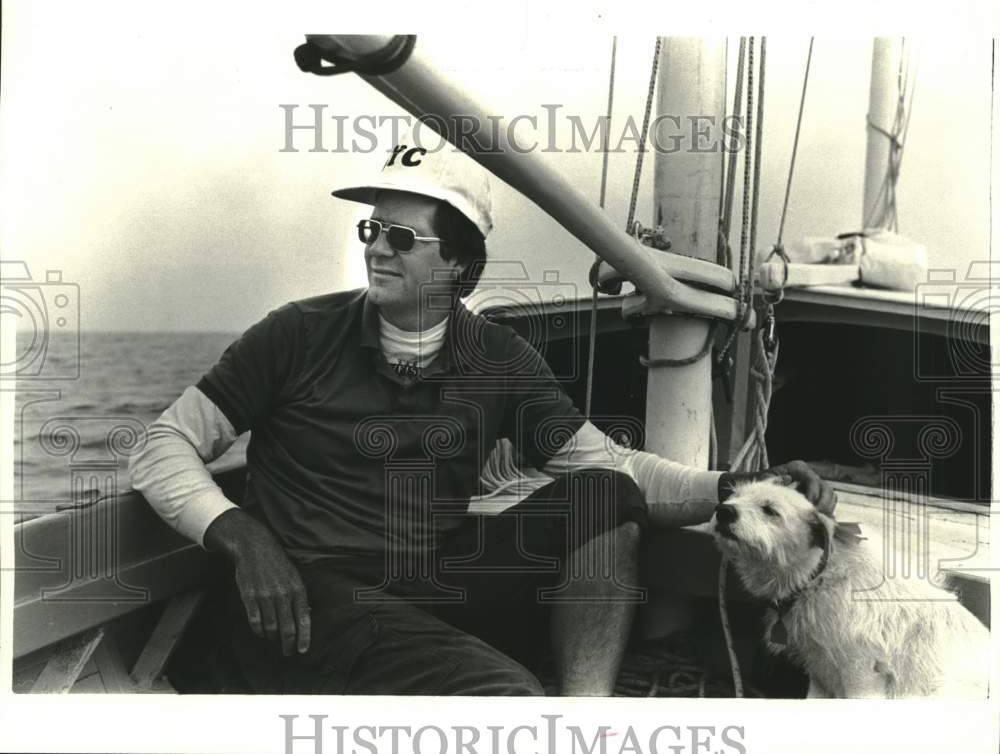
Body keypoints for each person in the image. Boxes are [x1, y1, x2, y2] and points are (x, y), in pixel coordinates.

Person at [129, 124, 836, 697]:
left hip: (423, 583)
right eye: (372, 231)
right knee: (501, 697)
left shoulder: (497, 359)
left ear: (461, 268)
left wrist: (741, 488)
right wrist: (239, 533)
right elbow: (161, 444)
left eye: (402, 238)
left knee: (603, 494)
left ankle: (584, 717)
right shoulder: (296, 334)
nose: (377, 248)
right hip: (307, 597)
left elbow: (613, 465)